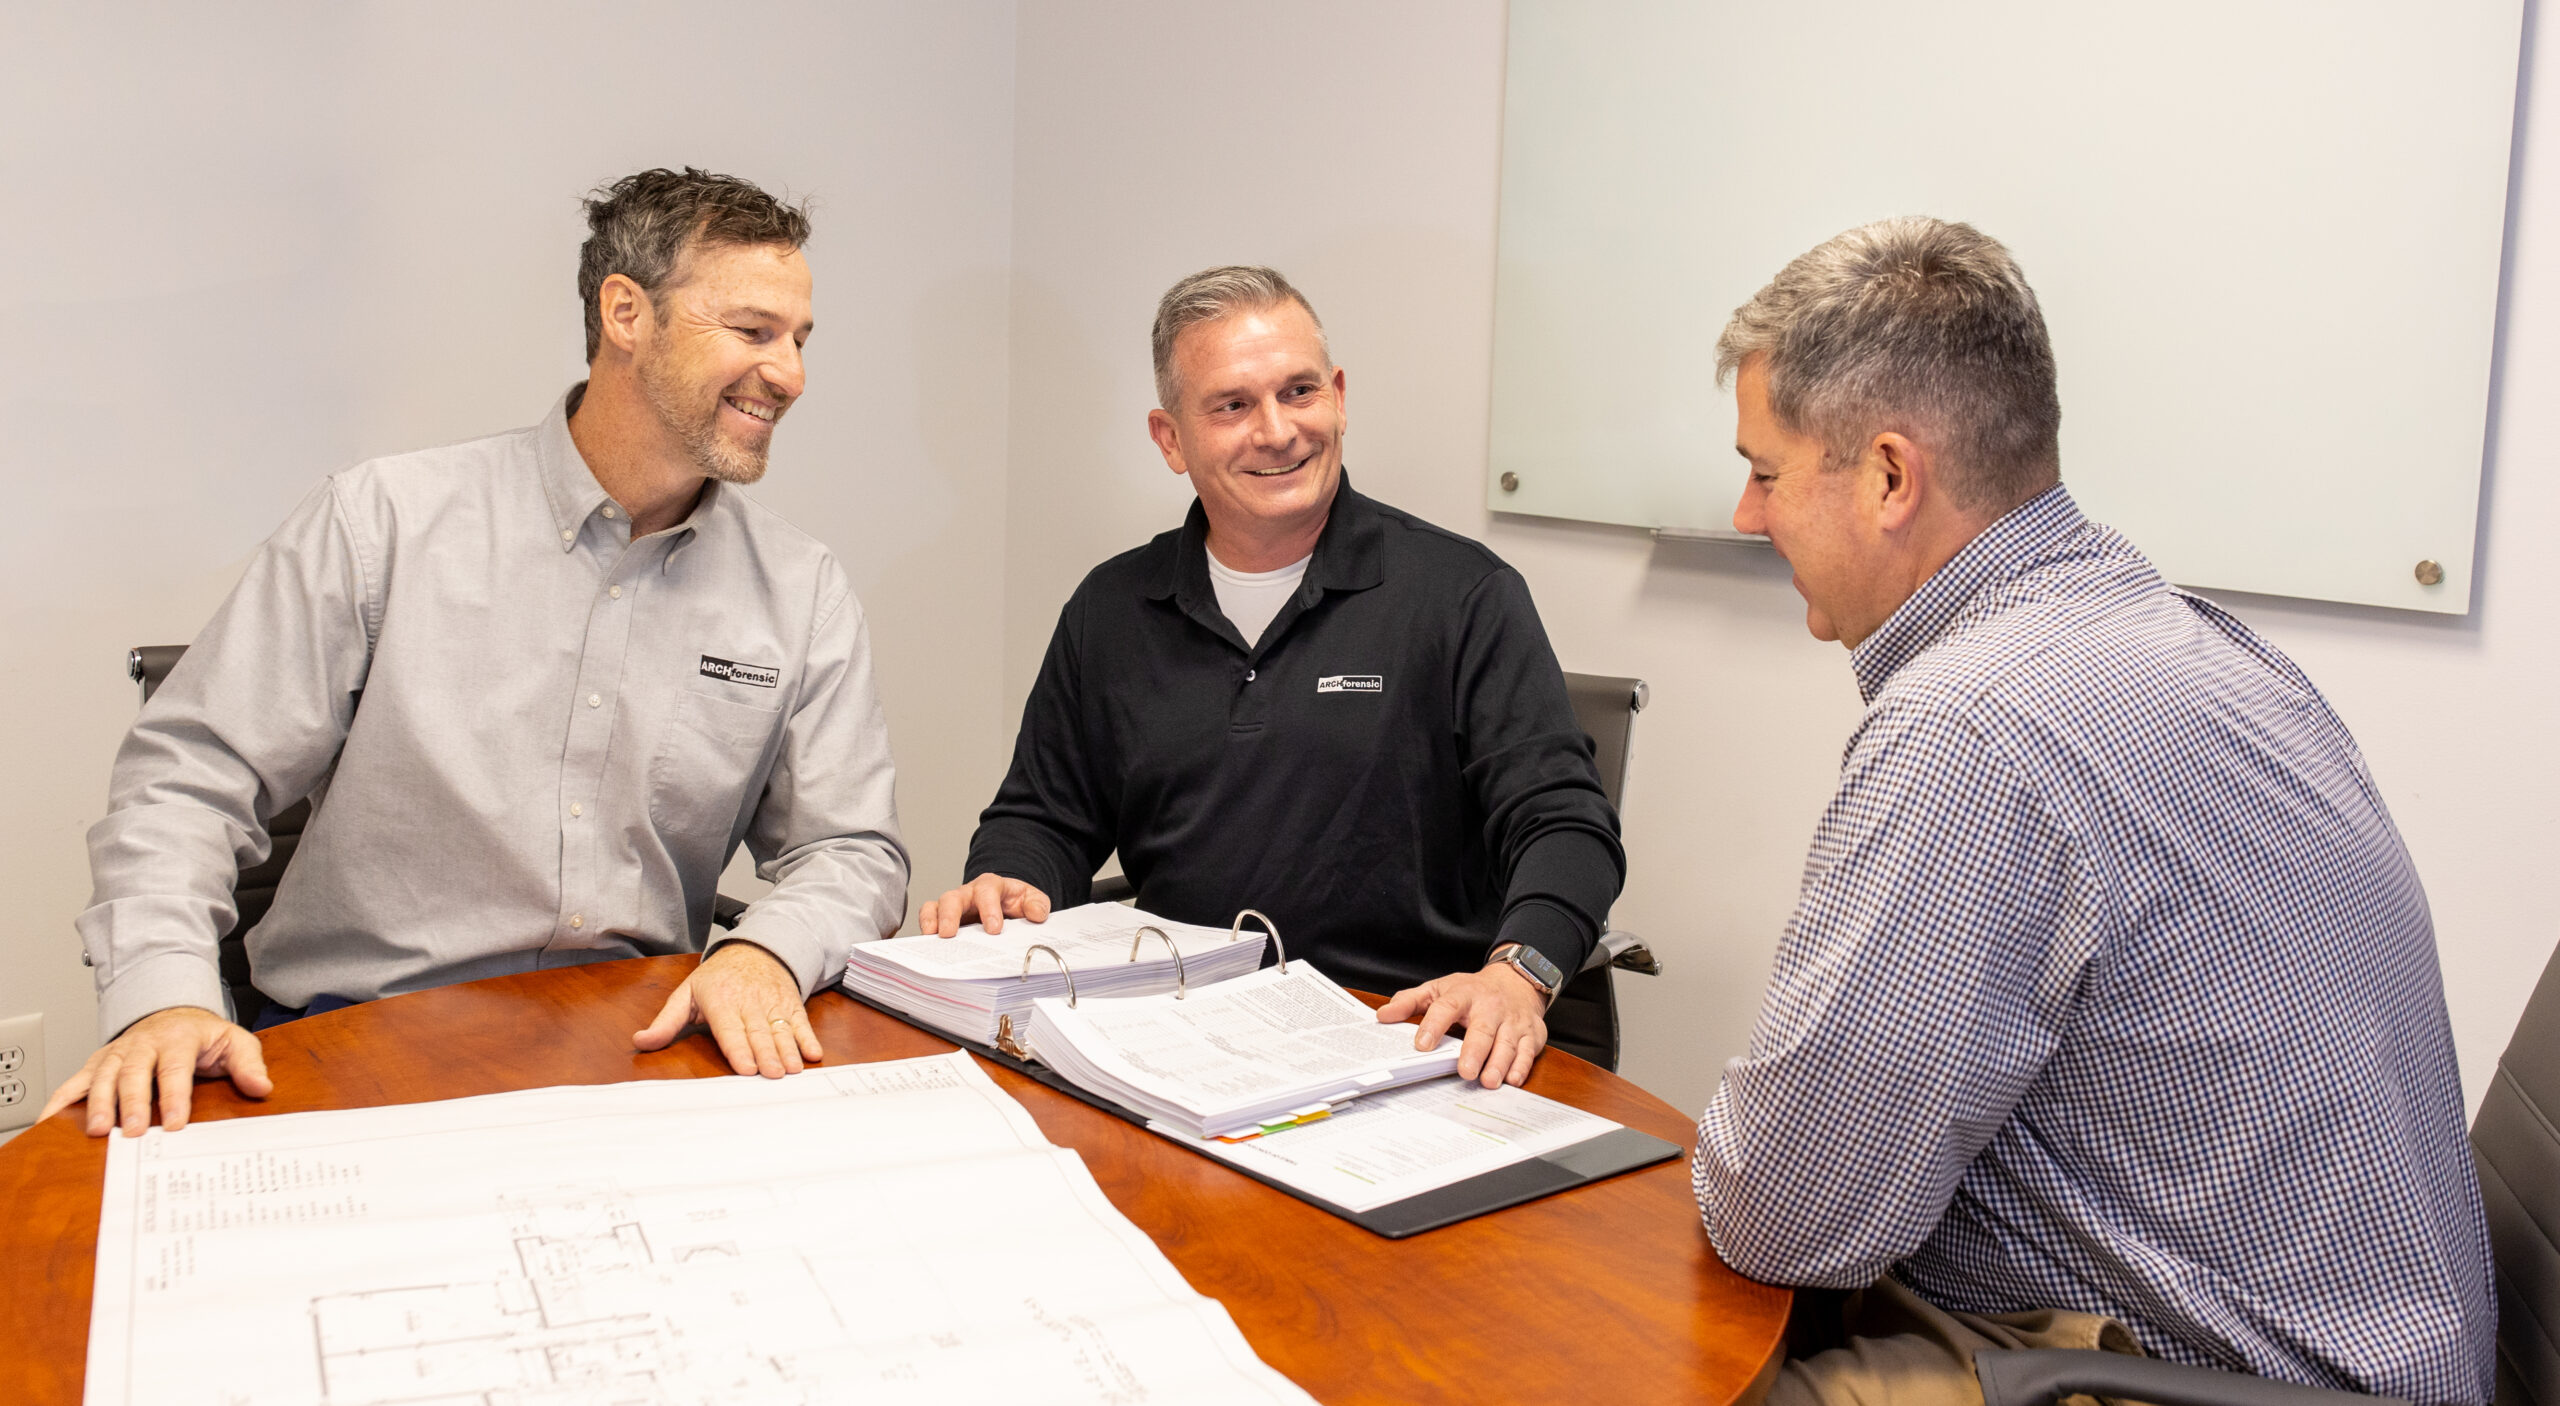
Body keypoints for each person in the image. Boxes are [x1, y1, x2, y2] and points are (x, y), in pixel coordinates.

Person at [1688, 216, 2494, 1406]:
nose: (1749, 517)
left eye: (1765, 471)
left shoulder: (1972, 730)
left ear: (1889, 477)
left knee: (1683, 1372)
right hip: (2351, 1341)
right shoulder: (2180, 632)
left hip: (2210, 1376)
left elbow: (1791, 1212)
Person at [45, 168, 909, 1138]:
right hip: (357, 1045)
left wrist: (768, 953)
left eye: (798, 340)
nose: (789, 373)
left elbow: (850, 849)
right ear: (626, 312)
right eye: (754, 331)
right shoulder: (383, 523)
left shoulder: (800, 588)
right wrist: (164, 995)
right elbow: (185, 783)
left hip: (638, 1056)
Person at [922, 266, 1621, 1088]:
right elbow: (1043, 815)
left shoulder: (1462, 595)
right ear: (1169, 438)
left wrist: (1519, 973)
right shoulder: (1112, 608)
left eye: (1299, 392)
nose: (1278, 430)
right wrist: (1010, 879)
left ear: (1341, 397)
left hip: (1403, 1039)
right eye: (1233, 405)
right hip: (1177, 1044)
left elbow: (1565, 823)